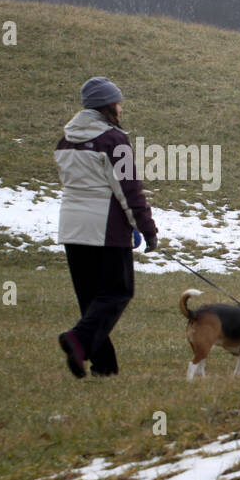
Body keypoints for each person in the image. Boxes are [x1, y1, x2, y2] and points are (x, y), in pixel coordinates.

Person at [54, 77, 159, 378]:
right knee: (117, 291)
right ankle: (79, 340)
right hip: (104, 229)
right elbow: (129, 189)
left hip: (72, 228)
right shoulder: (113, 140)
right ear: (108, 106)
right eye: (118, 102)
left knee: (91, 299)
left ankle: (104, 366)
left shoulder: (66, 139)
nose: (121, 108)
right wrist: (146, 228)